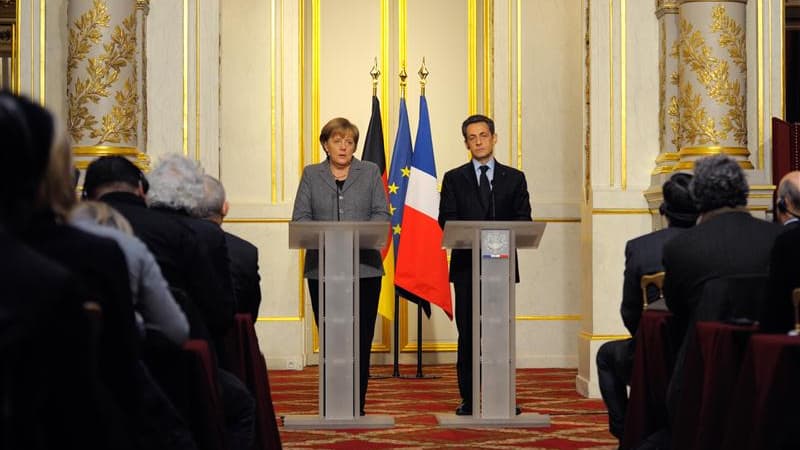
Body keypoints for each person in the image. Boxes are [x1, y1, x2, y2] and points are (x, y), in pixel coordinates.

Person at [662, 155, 781, 426]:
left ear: (698, 196)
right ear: (744, 191)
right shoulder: (777, 239)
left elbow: (676, 310)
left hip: (700, 379)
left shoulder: (681, 248)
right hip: (772, 377)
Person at [291, 117, 389, 416]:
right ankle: (332, 403)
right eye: (337, 140)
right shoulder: (311, 174)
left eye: (349, 141)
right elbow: (301, 219)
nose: (344, 147)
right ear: (326, 144)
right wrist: (331, 238)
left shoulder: (370, 172)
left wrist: (352, 237)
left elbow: (381, 215)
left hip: (365, 270)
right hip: (323, 271)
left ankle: (356, 405)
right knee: (332, 339)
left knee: (360, 339)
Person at [438, 114, 532, 416]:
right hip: (467, 269)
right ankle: (469, 399)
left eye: (483, 136)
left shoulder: (514, 178)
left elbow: (523, 220)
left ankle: (502, 395)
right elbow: (447, 220)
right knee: (468, 336)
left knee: (499, 335)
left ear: (494, 138)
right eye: (472, 137)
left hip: (500, 268)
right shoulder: (454, 178)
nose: (478, 142)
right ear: (466, 143)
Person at [596, 173, 698, 443]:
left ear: (663, 209)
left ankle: (625, 431)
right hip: (704, 353)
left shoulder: (641, 248)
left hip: (651, 352)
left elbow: (630, 310)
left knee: (605, 356)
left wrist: (647, 341)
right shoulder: (714, 246)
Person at [195, 174, 262, 322]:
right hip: (232, 340)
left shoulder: (174, 246)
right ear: (225, 208)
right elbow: (250, 314)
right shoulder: (246, 252)